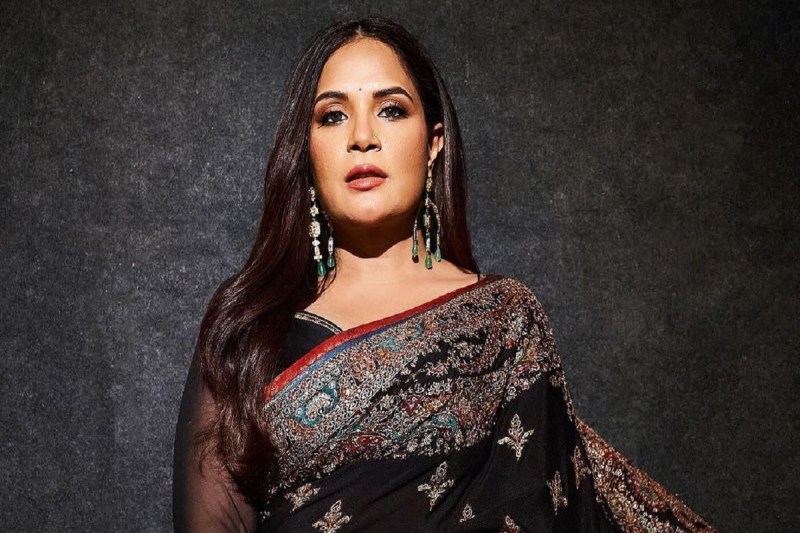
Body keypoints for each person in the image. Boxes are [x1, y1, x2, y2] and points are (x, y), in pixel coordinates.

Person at [173, 16, 715, 532]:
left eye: (390, 110)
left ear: (433, 144)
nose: (362, 136)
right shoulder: (248, 324)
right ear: (307, 151)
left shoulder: (503, 324)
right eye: (332, 116)